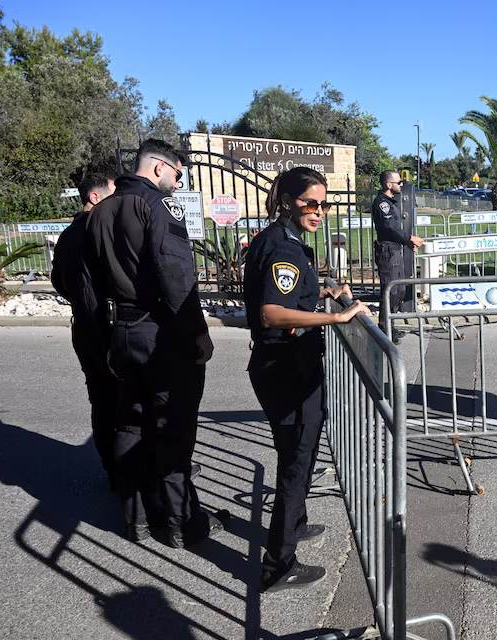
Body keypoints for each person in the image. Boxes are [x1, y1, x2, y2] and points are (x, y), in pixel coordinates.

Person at [84, 139, 223, 546]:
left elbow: (89, 290)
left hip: (121, 334)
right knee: (173, 426)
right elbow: (177, 277)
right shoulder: (159, 204)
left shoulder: (99, 211)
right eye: (178, 174)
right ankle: (183, 523)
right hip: (159, 334)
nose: (178, 184)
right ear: (160, 167)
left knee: (130, 425)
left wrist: (107, 342)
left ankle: (137, 520)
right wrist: (198, 332)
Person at [243, 167, 370, 593]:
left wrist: (322, 293)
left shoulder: (280, 239)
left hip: (286, 365)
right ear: (287, 203)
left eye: (324, 204)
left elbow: (290, 294)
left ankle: (293, 523)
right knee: (295, 465)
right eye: (310, 203)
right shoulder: (285, 247)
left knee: (301, 453)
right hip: (285, 369)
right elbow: (271, 312)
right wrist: (337, 316)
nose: (319, 211)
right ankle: (278, 565)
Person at [51, 174, 116, 486]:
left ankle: (112, 468)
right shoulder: (102, 230)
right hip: (110, 328)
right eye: (113, 194)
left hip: (84, 329)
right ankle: (131, 472)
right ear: (94, 197)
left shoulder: (67, 235)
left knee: (101, 400)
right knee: (125, 400)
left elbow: (58, 281)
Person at [371, 170, 423, 340]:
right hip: (387, 251)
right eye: (398, 182)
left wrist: (407, 242)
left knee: (399, 290)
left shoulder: (390, 202)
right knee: (390, 290)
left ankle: (390, 326)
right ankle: (384, 329)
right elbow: (390, 228)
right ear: (388, 184)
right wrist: (409, 238)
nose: (401, 185)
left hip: (395, 249)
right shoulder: (382, 204)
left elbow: (394, 230)